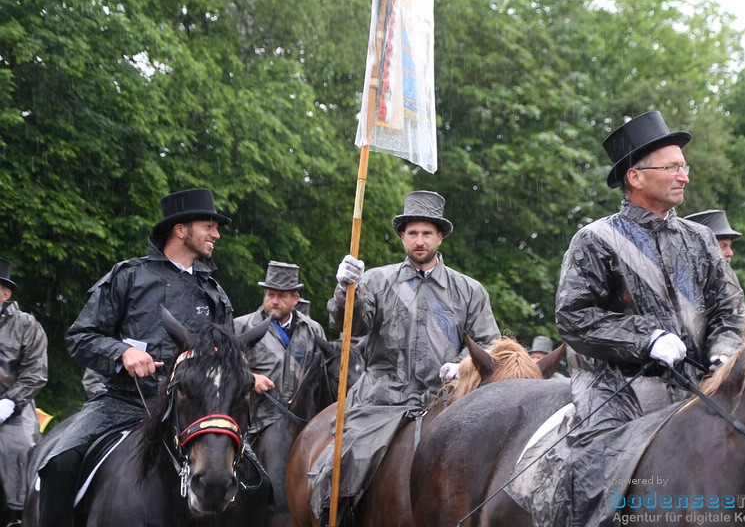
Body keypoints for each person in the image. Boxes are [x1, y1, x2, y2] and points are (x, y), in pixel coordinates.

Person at [555, 111, 745, 527]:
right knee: (594, 475)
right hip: (616, 388)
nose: (685, 177)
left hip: (700, 382)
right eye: (674, 167)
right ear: (636, 177)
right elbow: (574, 317)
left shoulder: (699, 239)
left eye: (685, 166)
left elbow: (730, 310)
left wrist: (724, 354)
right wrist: (647, 339)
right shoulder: (595, 239)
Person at [32, 187, 267, 527]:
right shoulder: (127, 276)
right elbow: (79, 337)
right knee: (59, 463)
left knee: (261, 485)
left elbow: (224, 357)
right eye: (208, 225)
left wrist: (244, 374)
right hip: (123, 402)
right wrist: (122, 352)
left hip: (193, 411)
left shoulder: (215, 294)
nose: (216, 234)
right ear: (180, 230)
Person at [309, 190, 501, 526]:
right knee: (344, 460)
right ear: (402, 237)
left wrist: (463, 365)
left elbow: (489, 345)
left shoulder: (469, 290)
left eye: (427, 233)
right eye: (412, 233)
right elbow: (349, 324)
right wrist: (344, 290)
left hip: (445, 400)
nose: (420, 241)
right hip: (381, 399)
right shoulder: (376, 281)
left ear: (440, 237)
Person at [233, 260, 327, 433]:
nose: (274, 301)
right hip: (253, 424)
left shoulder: (313, 330)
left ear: (296, 299)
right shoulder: (242, 327)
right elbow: (222, 372)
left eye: (282, 296)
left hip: (302, 426)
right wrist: (251, 378)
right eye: (270, 294)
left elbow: (323, 377)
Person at [0, 258, 48, 527]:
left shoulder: (26, 326)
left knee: (18, 447)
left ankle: (19, 514)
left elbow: (36, 373)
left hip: (13, 409)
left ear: (5, 294)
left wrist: (7, 404)